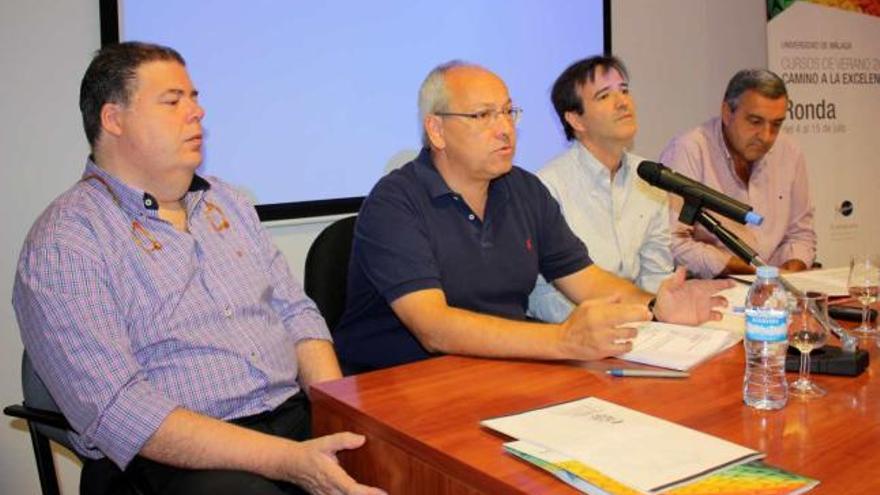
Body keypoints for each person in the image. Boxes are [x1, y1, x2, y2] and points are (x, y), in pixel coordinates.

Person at [12, 42, 383, 495]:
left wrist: (338, 413)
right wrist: (290, 462)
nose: (197, 113)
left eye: (195, 97)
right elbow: (122, 410)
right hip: (171, 461)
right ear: (114, 119)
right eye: (173, 101)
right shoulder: (67, 239)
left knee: (417, 464)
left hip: (291, 421)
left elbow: (296, 315)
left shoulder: (227, 202)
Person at [333, 61, 731, 374]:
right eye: (483, 116)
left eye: (509, 113)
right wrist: (561, 341)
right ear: (436, 131)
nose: (505, 129)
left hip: (500, 371)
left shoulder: (523, 190)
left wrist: (657, 307)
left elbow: (587, 280)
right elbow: (433, 327)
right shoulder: (395, 201)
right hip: (399, 384)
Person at [528, 55, 673, 323]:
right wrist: (611, 320)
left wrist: (655, 316)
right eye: (605, 96)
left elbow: (657, 274)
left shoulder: (650, 177)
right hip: (575, 332)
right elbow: (541, 295)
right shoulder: (548, 187)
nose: (623, 102)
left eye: (624, 90)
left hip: (643, 326)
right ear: (576, 120)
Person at [659, 69, 816, 278]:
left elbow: (800, 234)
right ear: (727, 112)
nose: (766, 136)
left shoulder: (789, 151)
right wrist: (755, 273)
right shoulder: (689, 151)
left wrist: (787, 277)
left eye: (776, 124)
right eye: (755, 121)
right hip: (712, 289)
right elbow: (674, 242)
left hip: (778, 289)